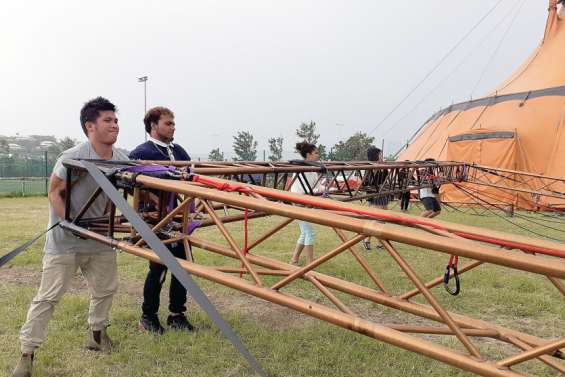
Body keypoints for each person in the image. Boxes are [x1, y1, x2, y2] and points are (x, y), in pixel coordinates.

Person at [11, 97, 128, 377]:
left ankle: (97, 336)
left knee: (105, 290)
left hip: (101, 240)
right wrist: (71, 223)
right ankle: (26, 355)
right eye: (107, 120)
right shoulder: (71, 156)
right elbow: (54, 191)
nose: (114, 125)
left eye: (115, 120)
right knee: (48, 298)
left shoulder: (123, 158)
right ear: (90, 126)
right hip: (66, 241)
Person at [129, 106, 194, 334]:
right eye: (168, 123)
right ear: (153, 126)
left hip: (177, 217)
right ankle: (148, 317)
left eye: (173, 123)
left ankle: (177, 314)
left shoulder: (179, 151)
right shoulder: (141, 152)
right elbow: (131, 184)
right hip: (153, 220)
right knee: (159, 267)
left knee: (184, 266)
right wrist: (158, 204)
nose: (173, 127)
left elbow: (191, 178)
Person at [289, 141, 320, 266]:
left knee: (305, 231)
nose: (318, 155)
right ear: (308, 155)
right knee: (310, 232)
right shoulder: (302, 169)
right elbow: (304, 189)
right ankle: (309, 263)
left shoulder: (312, 169)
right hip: (299, 202)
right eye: (316, 153)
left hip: (306, 201)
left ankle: (294, 259)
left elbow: (315, 187)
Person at [363, 146, 388, 250]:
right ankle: (368, 240)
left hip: (382, 193)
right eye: (380, 154)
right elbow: (368, 182)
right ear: (375, 156)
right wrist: (379, 168)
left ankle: (377, 242)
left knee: (381, 219)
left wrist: (383, 167)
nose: (381, 156)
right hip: (375, 195)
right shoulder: (370, 167)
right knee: (376, 219)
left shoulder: (380, 166)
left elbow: (385, 178)